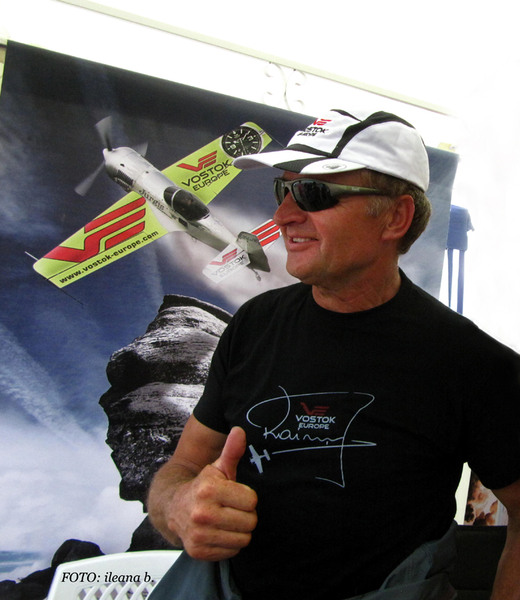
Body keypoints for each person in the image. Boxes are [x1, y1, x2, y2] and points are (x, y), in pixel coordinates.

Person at [147, 109, 520, 599]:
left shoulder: (472, 363)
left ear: (395, 217)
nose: (283, 216)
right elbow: (182, 467)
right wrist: (178, 505)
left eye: (314, 193)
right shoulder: (254, 325)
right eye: (282, 191)